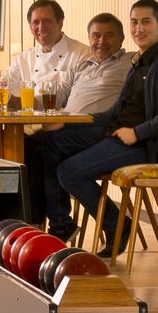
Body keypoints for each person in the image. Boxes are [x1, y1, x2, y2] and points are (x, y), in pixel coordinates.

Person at [39, 0, 158, 251]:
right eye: (134, 22)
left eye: (146, 22)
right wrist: (67, 123)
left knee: (69, 172)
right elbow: (114, 113)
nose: (139, 28)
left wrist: (137, 132)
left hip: (144, 145)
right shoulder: (139, 61)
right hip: (116, 134)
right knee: (51, 140)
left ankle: (116, 225)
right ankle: (59, 224)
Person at [23, 13, 132, 220]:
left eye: (109, 36)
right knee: (27, 144)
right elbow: (56, 96)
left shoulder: (130, 63)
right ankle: (32, 221)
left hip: (101, 129)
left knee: (51, 142)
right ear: (89, 38)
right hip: (72, 128)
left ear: (121, 39)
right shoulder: (83, 64)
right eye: (96, 36)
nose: (101, 41)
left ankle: (60, 222)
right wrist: (16, 100)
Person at [6, 0, 89, 106]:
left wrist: (28, 103)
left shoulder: (82, 54)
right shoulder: (24, 58)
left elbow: (73, 98)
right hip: (27, 120)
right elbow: (5, 84)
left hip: (63, 121)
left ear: (60, 23)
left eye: (47, 21)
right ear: (30, 27)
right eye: (35, 22)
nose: (41, 27)